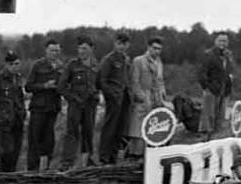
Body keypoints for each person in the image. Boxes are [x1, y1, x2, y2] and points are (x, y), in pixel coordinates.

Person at [58, 35, 99, 169]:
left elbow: (100, 83)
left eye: (85, 48)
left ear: (91, 49)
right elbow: (61, 87)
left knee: (88, 132)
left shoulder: (96, 65)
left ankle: (87, 161)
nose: (81, 51)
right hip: (75, 104)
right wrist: (72, 98)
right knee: (72, 133)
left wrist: (97, 95)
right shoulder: (72, 65)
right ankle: (67, 163)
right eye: (80, 48)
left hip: (90, 105)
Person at [24, 39, 64, 171]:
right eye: (52, 50)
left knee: (49, 142)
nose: (54, 53)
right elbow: (28, 86)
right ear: (46, 50)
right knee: (35, 140)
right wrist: (44, 86)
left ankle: (45, 169)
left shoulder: (61, 66)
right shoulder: (38, 65)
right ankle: (32, 169)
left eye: (57, 50)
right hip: (39, 108)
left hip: (53, 108)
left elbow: (64, 85)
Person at [126, 36, 167, 158]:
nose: (157, 51)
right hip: (144, 97)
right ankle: (134, 154)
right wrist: (141, 96)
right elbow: (134, 80)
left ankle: (149, 155)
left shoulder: (159, 63)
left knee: (153, 128)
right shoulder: (138, 61)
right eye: (154, 48)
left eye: (159, 49)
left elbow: (161, 81)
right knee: (138, 128)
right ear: (148, 47)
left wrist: (162, 95)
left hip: (156, 98)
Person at [96, 32, 131, 165]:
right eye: (120, 43)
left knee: (120, 129)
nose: (122, 46)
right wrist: (111, 95)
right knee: (109, 127)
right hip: (114, 98)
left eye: (125, 44)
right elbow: (102, 80)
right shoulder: (109, 59)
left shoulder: (126, 59)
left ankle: (113, 156)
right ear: (115, 43)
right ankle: (104, 158)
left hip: (125, 98)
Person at [0, 50, 27, 172]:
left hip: (18, 119)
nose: (16, 67)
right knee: (7, 152)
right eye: (14, 64)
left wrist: (23, 113)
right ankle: (3, 175)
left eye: (17, 64)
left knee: (16, 152)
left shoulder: (18, 78)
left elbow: (20, 97)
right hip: (5, 121)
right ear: (8, 64)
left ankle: (11, 176)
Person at [197, 32, 233, 139]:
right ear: (215, 41)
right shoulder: (209, 55)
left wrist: (228, 89)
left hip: (223, 90)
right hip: (211, 90)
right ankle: (204, 138)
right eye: (220, 40)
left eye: (225, 41)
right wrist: (207, 87)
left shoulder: (227, 56)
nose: (223, 43)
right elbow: (201, 73)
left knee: (220, 116)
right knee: (208, 116)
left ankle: (215, 138)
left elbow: (228, 73)